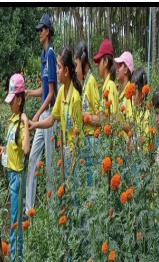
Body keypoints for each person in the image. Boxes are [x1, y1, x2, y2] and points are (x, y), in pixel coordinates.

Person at [0, 73, 30, 262]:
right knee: (12, 227)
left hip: (17, 178)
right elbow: (12, 146)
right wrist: (2, 148)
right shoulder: (12, 122)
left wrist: (27, 123)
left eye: (12, 100)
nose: (10, 104)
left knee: (15, 231)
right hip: (11, 177)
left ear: (19, 99)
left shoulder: (21, 122)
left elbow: (26, 150)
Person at [29, 45, 82, 180]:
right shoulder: (60, 94)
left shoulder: (75, 98)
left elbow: (78, 135)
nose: (56, 71)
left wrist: (73, 162)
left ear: (66, 70)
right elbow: (52, 119)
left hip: (73, 154)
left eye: (59, 67)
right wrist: (35, 125)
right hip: (64, 151)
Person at [25, 13, 58, 214]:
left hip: (50, 114)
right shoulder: (43, 55)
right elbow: (44, 89)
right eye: (38, 30)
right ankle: (29, 209)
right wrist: (30, 92)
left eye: (41, 30)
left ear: (47, 31)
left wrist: (36, 115)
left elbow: (52, 93)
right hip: (43, 111)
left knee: (50, 166)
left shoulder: (52, 54)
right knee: (32, 159)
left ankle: (53, 211)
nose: (39, 33)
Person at [74, 40, 101, 185]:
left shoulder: (91, 82)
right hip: (87, 140)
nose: (75, 70)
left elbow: (101, 118)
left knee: (93, 184)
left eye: (76, 65)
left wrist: (85, 116)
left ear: (82, 61)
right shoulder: (85, 83)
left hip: (93, 142)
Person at [93, 38, 118, 116]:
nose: (97, 65)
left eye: (99, 61)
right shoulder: (106, 86)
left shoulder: (110, 86)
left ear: (105, 61)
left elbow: (112, 120)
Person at [114, 51, 134, 125]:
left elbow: (131, 123)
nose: (117, 70)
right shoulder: (123, 93)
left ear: (126, 70)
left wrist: (117, 122)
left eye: (119, 66)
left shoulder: (130, 93)